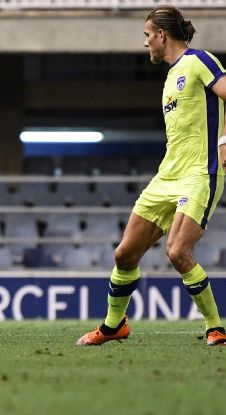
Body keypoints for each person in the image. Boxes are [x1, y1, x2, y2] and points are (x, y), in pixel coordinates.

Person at [77, 6, 226, 346]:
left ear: (161, 34)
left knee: (177, 251)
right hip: (166, 177)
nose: (146, 44)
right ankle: (115, 326)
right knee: (124, 254)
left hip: (200, 173)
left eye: (147, 36)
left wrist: (223, 138)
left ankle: (215, 327)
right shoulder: (171, 77)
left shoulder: (200, 60)